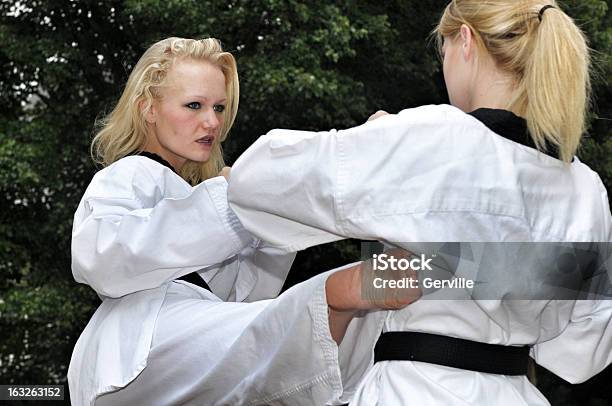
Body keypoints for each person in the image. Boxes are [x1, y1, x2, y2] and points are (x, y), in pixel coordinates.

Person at [227, 1, 612, 405]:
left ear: (465, 40)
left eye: (442, 50)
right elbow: (581, 351)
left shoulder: (433, 137)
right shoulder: (585, 190)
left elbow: (257, 179)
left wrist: (373, 135)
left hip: (415, 390)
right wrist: (464, 269)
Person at [67, 37, 420, 406]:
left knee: (304, 328)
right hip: (139, 347)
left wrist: (257, 216)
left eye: (219, 107)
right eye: (194, 105)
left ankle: (434, 266)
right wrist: (238, 198)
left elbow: (249, 301)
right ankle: (377, 182)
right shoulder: (132, 173)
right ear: (148, 109)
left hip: (189, 357)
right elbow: (98, 255)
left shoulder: (200, 194)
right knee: (300, 315)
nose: (212, 121)